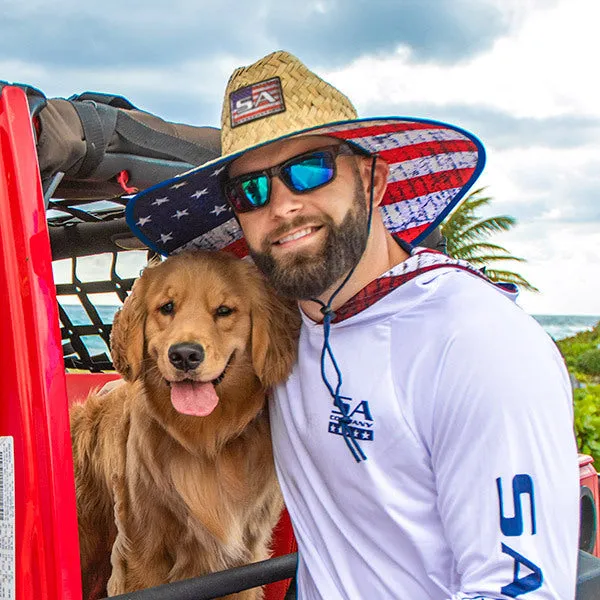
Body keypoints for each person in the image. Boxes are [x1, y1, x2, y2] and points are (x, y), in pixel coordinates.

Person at [128, 51, 580, 599]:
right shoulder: (282, 334)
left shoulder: (476, 342)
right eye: (252, 190)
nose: (284, 205)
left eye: (309, 169)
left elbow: (518, 587)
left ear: (373, 176)